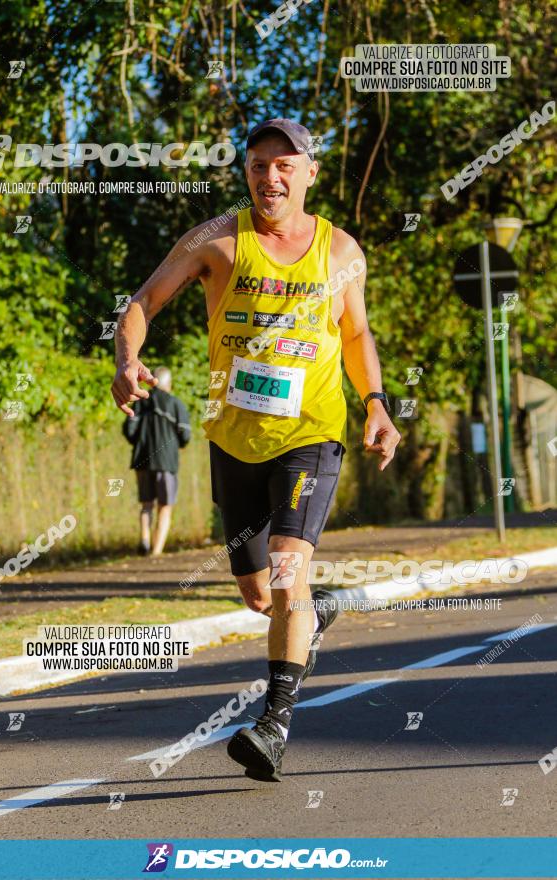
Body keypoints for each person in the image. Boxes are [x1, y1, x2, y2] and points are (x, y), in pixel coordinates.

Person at [111, 118, 401, 781]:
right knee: (259, 593)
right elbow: (143, 301)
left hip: (311, 433)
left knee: (284, 570)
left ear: (309, 173)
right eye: (257, 165)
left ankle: (273, 723)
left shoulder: (338, 251)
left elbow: (355, 336)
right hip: (232, 438)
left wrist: (376, 405)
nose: (269, 177)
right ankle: (317, 610)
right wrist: (128, 360)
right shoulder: (215, 240)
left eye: (283, 165)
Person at [122, 366, 191, 556]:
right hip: (167, 463)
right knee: (165, 506)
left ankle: (144, 539)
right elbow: (185, 436)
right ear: (169, 384)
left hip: (142, 460)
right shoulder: (177, 405)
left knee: (146, 504)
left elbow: (129, 431)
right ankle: (156, 551)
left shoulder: (140, 403)